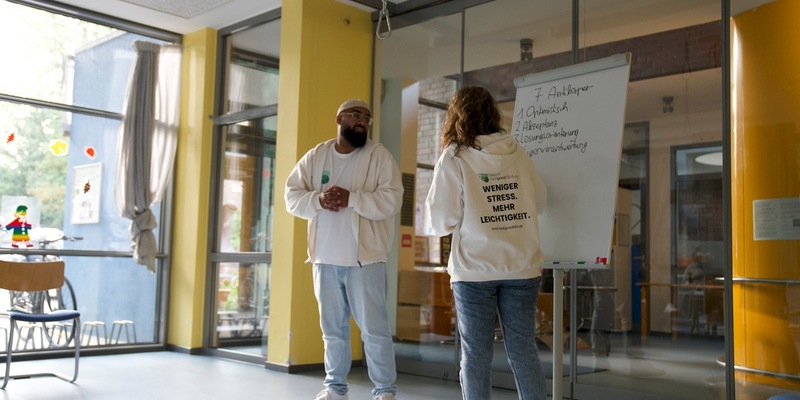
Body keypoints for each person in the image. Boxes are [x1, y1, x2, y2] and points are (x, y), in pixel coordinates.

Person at [425, 86, 547, 400]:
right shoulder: (517, 151)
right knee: (523, 352)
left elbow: (441, 221)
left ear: (456, 117)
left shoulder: (454, 157)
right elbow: (540, 201)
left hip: (475, 271)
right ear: (492, 113)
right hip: (522, 267)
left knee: (476, 356)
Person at [285, 99, 403, 400]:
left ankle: (385, 391)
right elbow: (291, 196)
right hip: (324, 259)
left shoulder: (379, 157)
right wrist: (318, 200)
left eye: (367, 117)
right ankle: (335, 388)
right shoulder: (317, 156)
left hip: (365, 261)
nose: (362, 121)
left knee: (374, 332)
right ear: (339, 119)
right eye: (356, 115)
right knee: (332, 332)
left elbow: (391, 201)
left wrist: (352, 198)